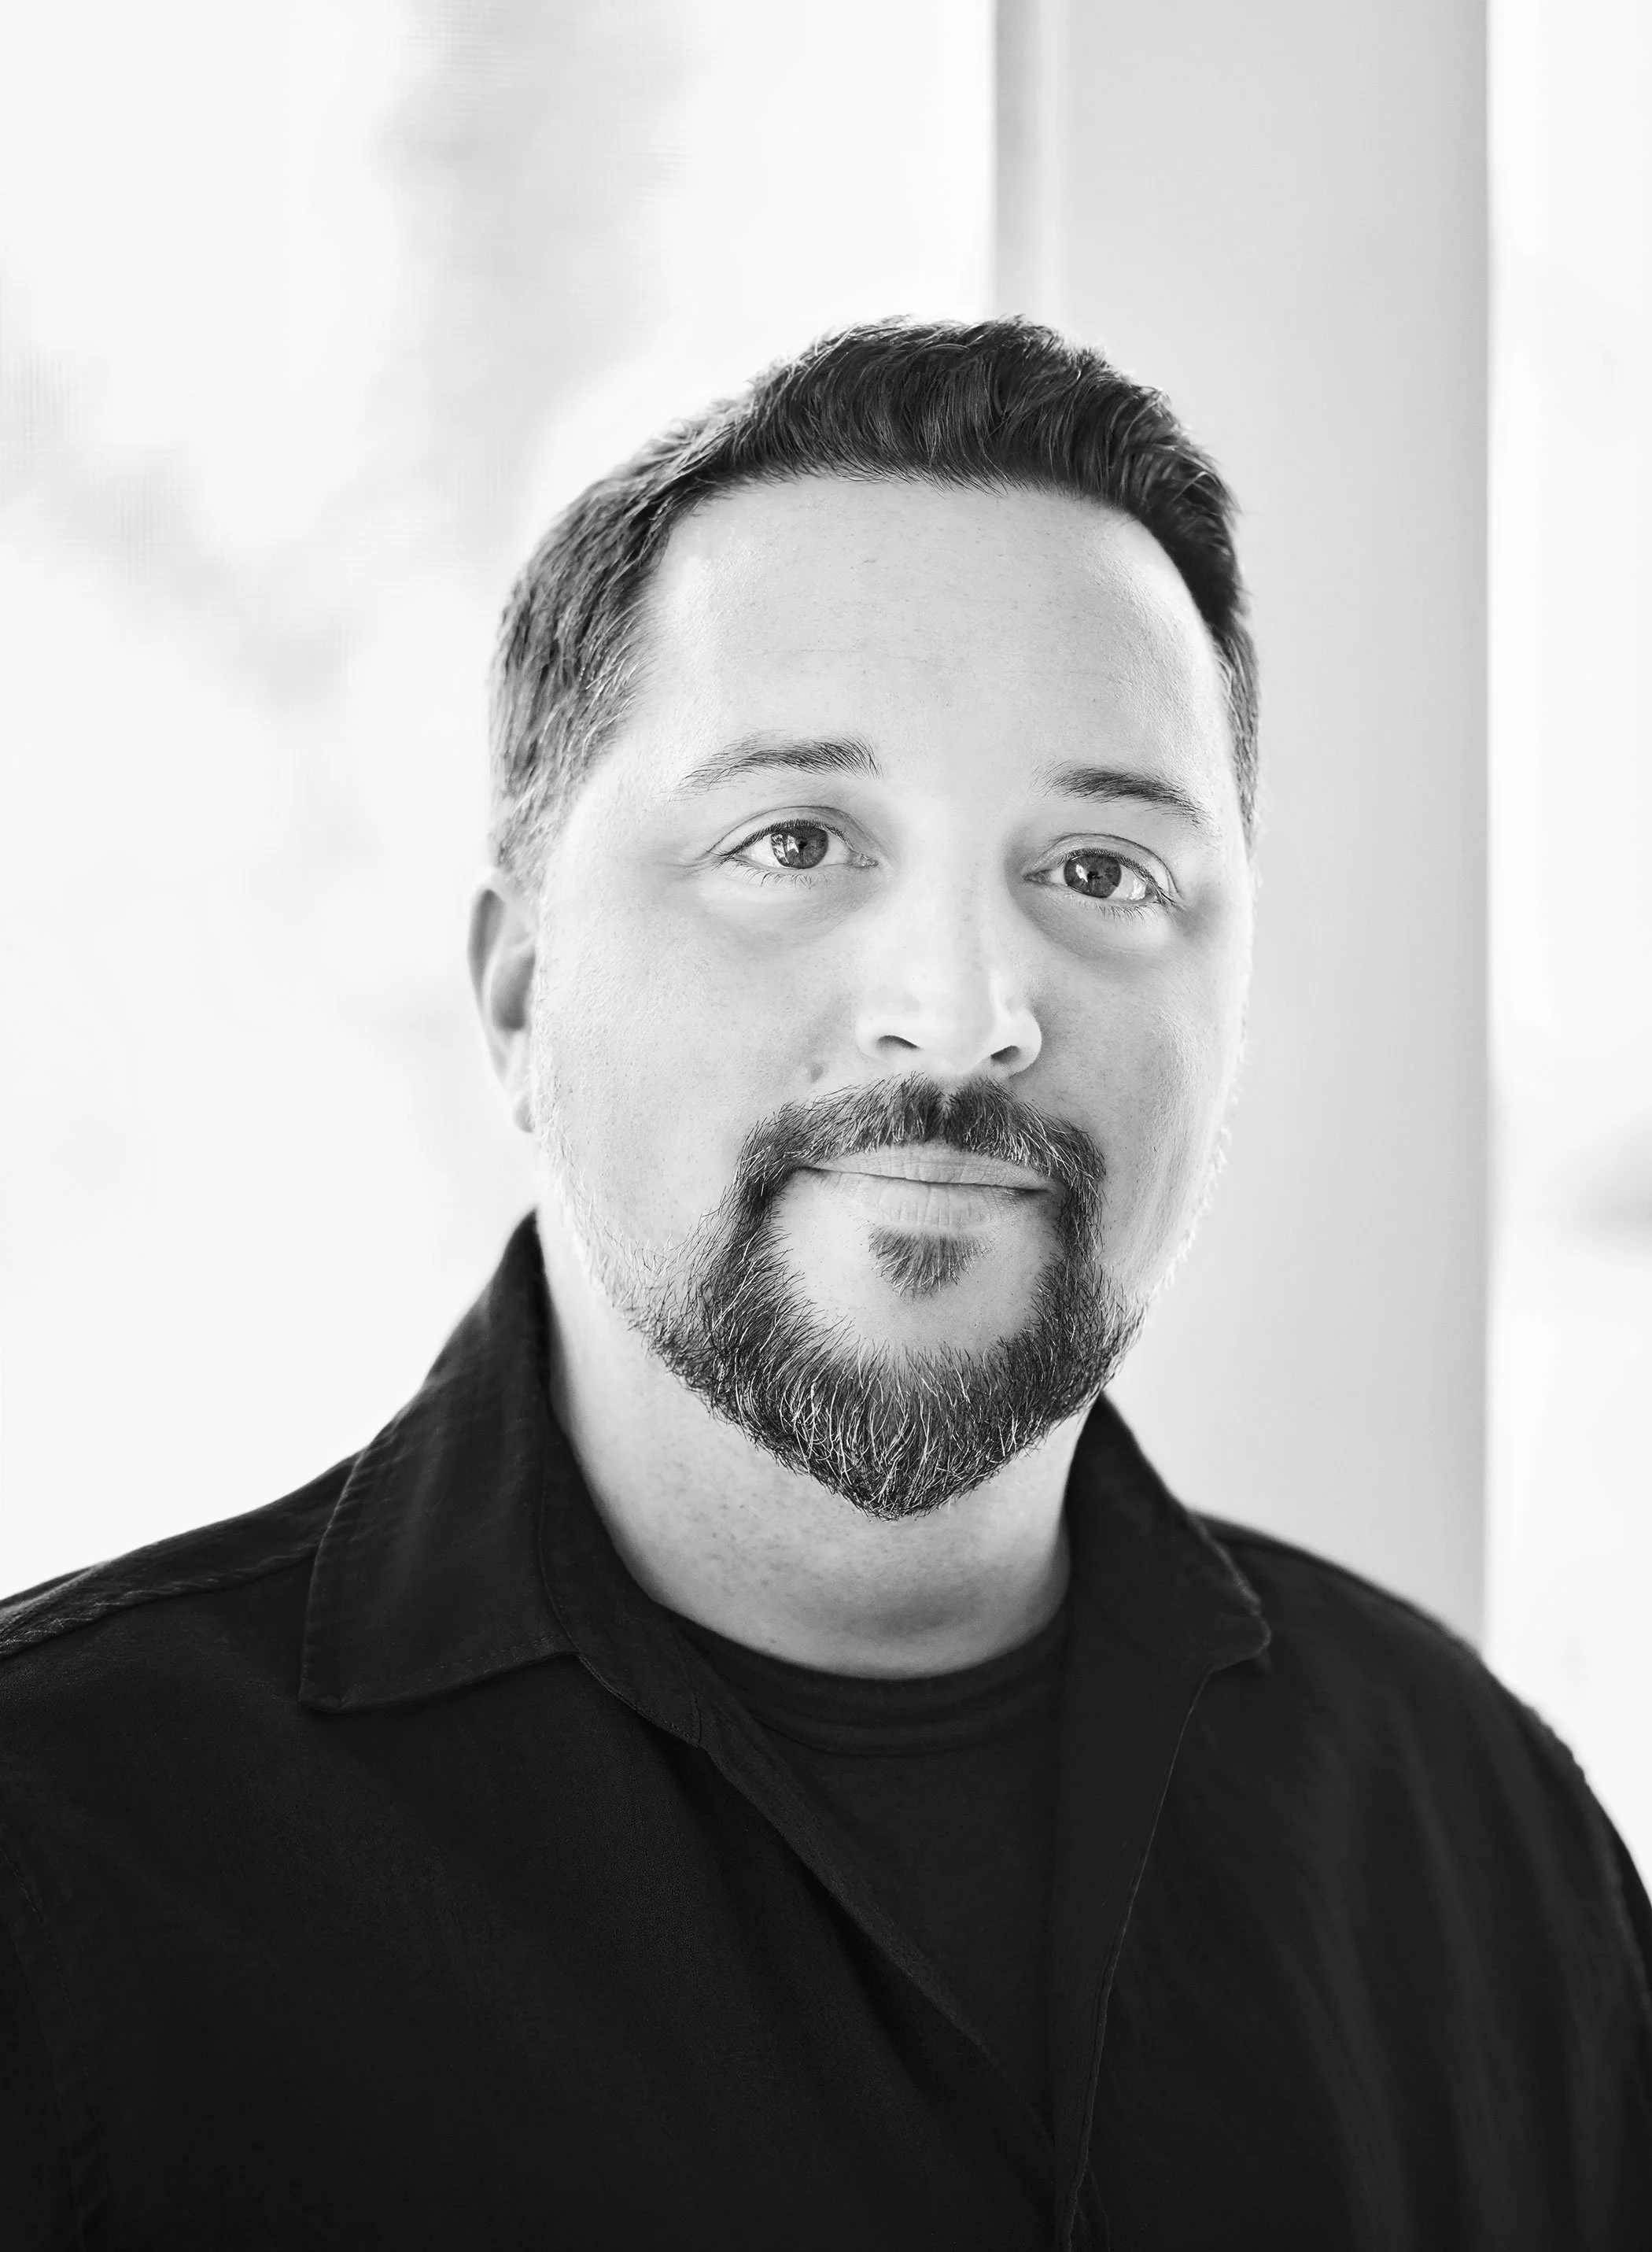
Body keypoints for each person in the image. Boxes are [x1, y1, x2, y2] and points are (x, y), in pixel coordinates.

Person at [2, 319, 1646, 2250]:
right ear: (520, 993)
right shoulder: (62, 1859)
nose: (961, 1011)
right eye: (795, 841)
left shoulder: (1484, 1837)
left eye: (1100, 870)